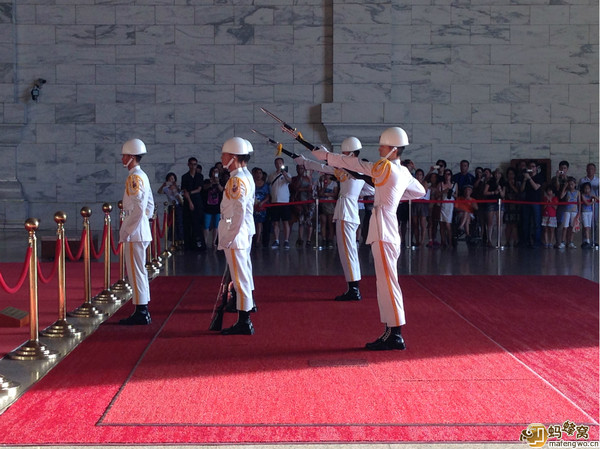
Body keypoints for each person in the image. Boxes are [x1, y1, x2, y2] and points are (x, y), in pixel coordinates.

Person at [312, 126, 426, 351]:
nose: (380, 149)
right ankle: (390, 330)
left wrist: (325, 155)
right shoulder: (402, 172)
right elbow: (419, 191)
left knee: (387, 281)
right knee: (384, 280)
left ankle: (395, 334)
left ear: (393, 150)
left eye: (383, 146)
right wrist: (395, 195)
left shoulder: (385, 168)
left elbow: (355, 165)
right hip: (388, 226)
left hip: (384, 228)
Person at [296, 136, 366, 301]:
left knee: (348, 252)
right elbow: (324, 167)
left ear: (349, 153)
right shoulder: (346, 168)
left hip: (346, 212)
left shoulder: (358, 168)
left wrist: (326, 155)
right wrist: (305, 162)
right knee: (347, 251)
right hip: (346, 211)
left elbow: (331, 164)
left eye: (344, 153)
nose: (341, 155)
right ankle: (353, 287)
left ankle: (354, 289)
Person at [217, 137, 255, 335]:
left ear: (232, 157)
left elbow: (238, 212)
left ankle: (244, 321)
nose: (222, 157)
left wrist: (229, 237)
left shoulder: (236, 180)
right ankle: (244, 314)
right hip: (239, 233)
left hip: (236, 234)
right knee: (242, 276)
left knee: (240, 279)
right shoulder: (242, 177)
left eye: (224, 154)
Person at [118, 138, 154, 325]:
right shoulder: (142, 176)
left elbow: (140, 208)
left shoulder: (135, 177)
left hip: (135, 232)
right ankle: (142, 307)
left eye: (125, 155)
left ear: (131, 157)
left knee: (135, 271)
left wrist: (128, 230)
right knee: (138, 270)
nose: (122, 158)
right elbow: (149, 205)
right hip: (141, 229)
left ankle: (141, 310)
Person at [267, 157, 292, 249]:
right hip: (275, 201)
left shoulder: (287, 174)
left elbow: (290, 181)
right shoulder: (271, 175)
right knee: (275, 222)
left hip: (284, 201)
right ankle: (276, 240)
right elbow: (269, 183)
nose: (278, 165)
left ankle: (286, 240)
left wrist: (284, 174)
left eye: (280, 163)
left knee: (285, 222)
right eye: (277, 163)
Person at [181, 157, 205, 251]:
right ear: (188, 164)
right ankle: (188, 245)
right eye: (191, 164)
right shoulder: (185, 177)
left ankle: (198, 244)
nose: (193, 166)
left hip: (197, 201)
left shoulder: (199, 176)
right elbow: (184, 190)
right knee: (187, 224)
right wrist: (189, 201)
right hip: (188, 201)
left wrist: (190, 193)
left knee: (197, 224)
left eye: (195, 164)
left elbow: (199, 189)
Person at [289, 163, 315, 248]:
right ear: (296, 169)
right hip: (299, 202)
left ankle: (308, 240)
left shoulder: (308, 179)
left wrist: (301, 189)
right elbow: (294, 188)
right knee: (301, 221)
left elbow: (310, 189)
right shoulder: (294, 179)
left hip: (308, 202)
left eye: (302, 168)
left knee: (309, 222)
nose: (300, 170)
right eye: (299, 168)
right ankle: (300, 239)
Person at [520, 161, 544, 248]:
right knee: (526, 222)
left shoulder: (539, 177)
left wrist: (529, 179)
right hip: (526, 201)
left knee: (537, 223)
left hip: (536, 202)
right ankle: (526, 241)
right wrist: (525, 179)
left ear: (536, 168)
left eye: (533, 166)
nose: (531, 168)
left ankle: (537, 242)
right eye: (530, 166)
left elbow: (536, 187)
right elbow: (522, 190)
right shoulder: (526, 177)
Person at [157, 172, 184, 244]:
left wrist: (175, 188)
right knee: (172, 223)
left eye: (172, 178)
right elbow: (159, 192)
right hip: (171, 206)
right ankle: (173, 239)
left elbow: (180, 196)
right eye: (170, 179)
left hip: (178, 206)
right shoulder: (166, 188)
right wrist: (163, 185)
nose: (171, 180)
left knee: (179, 223)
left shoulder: (178, 187)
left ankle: (180, 240)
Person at [201, 166, 224, 248]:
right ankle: (205, 242)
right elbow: (204, 188)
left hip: (217, 207)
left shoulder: (220, 181)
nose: (215, 173)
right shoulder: (207, 181)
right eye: (214, 171)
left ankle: (214, 242)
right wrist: (211, 183)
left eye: (217, 171)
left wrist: (217, 183)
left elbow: (222, 190)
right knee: (206, 225)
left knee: (216, 226)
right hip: (208, 206)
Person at [483, 168, 505, 247]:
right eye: (496, 173)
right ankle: (489, 240)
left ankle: (499, 240)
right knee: (490, 221)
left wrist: (500, 189)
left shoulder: (503, 183)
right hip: (491, 202)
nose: (497, 175)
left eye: (498, 173)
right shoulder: (490, 182)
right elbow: (485, 192)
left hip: (500, 202)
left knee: (499, 222)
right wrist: (493, 192)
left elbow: (503, 195)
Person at [557, 176, 580, 249]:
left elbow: (579, 202)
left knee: (572, 227)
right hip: (567, 210)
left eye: (572, 184)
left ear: (575, 184)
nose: (571, 186)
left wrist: (579, 212)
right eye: (569, 184)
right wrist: (565, 187)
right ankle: (563, 241)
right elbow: (561, 196)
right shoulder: (567, 191)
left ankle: (571, 242)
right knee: (565, 226)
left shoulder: (578, 192)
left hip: (574, 211)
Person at [579, 163, 599, 247]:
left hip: (595, 204)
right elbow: (578, 192)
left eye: (592, 169)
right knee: (585, 223)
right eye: (589, 169)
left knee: (594, 222)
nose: (590, 170)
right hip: (584, 204)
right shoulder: (582, 180)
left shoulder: (598, 180)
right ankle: (585, 241)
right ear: (586, 170)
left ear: (595, 170)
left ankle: (594, 241)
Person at [317, 173, 339, 248]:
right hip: (322, 204)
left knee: (330, 223)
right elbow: (319, 193)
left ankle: (330, 240)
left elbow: (335, 194)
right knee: (323, 222)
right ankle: (323, 239)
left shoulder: (334, 183)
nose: (327, 176)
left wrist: (327, 194)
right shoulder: (321, 182)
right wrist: (324, 187)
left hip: (330, 204)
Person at [411, 168, 429, 247]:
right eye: (417, 174)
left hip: (422, 204)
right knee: (415, 223)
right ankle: (417, 240)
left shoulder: (424, 182)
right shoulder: (413, 182)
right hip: (414, 203)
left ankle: (422, 241)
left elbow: (423, 192)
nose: (418, 176)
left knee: (422, 223)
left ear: (422, 176)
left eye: (420, 175)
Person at [252, 167, 270, 247]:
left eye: (260, 173)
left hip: (262, 206)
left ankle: (258, 239)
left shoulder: (265, 185)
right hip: (253, 206)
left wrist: (262, 202)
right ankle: (253, 238)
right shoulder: (251, 183)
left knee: (259, 223)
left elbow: (268, 196)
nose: (258, 175)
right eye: (257, 173)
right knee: (253, 222)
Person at [503, 167, 521, 247]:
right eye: (509, 174)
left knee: (514, 224)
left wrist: (512, 185)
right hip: (507, 205)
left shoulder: (518, 183)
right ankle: (507, 241)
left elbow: (519, 192)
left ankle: (515, 241)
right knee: (508, 224)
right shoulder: (505, 183)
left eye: (512, 174)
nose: (511, 175)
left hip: (515, 205)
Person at [439, 169, 456, 248]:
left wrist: (451, 193)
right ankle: (443, 241)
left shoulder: (455, 184)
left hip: (450, 205)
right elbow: (437, 194)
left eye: (449, 174)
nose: (447, 176)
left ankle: (450, 241)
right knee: (442, 224)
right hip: (443, 204)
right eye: (446, 174)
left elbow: (456, 195)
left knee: (448, 224)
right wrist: (444, 191)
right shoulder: (441, 184)